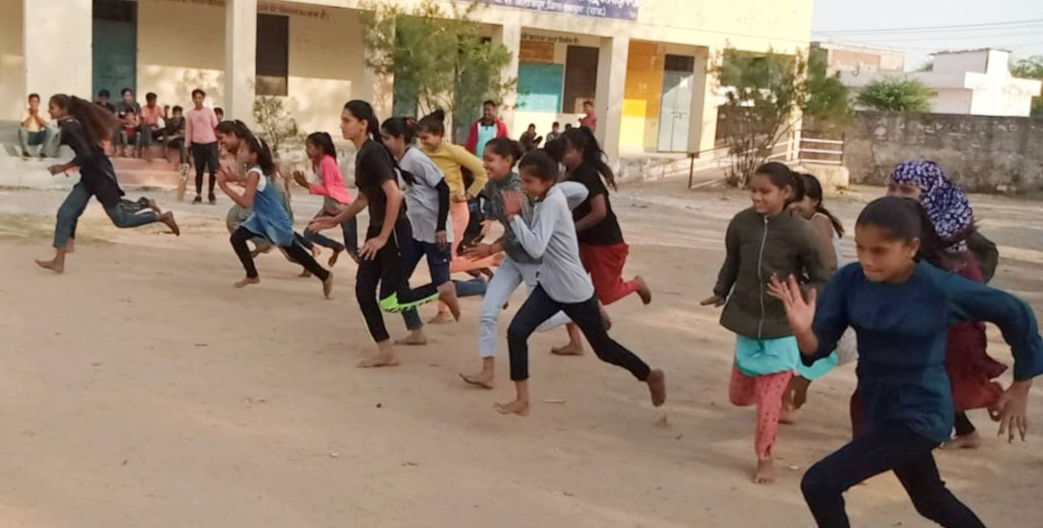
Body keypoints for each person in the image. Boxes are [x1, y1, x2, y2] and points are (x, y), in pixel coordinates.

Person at [769, 196, 1042, 528]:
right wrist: (802, 331)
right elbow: (817, 348)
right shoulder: (850, 281)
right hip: (878, 409)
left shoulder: (938, 288)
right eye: (860, 248)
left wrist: (1022, 384)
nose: (867, 260)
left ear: (911, 247)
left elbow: (1015, 312)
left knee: (820, 484)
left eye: (879, 251)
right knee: (930, 500)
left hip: (921, 414)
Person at [494, 149, 666, 416]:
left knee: (604, 349)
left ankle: (649, 375)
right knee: (517, 333)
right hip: (549, 287)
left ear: (547, 180)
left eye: (529, 181)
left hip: (575, 291)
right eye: (522, 180)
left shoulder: (551, 203)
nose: (524, 187)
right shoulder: (551, 194)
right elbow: (580, 191)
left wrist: (513, 217)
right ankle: (522, 399)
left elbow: (536, 248)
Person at [701, 162, 829, 484]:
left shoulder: (802, 232)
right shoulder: (741, 223)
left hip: (782, 327)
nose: (756, 197)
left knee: (767, 402)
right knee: (738, 396)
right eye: (753, 191)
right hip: (747, 321)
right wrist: (721, 291)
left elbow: (823, 277)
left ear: (785, 192)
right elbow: (732, 261)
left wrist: (796, 295)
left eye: (764, 192)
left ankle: (765, 456)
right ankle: (780, 393)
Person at [308, 100, 460, 368]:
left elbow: (395, 195)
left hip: (393, 231)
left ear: (363, 124)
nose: (342, 126)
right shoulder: (364, 153)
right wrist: (337, 219)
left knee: (391, 299)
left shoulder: (373, 152)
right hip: (379, 228)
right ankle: (386, 352)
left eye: (347, 120)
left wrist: (382, 238)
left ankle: (442, 289)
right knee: (364, 291)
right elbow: (363, 198)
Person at [886, 160, 1008, 450]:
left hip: (953, 306)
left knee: (946, 367)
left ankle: (986, 402)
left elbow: (984, 258)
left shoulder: (944, 226)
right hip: (921, 307)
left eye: (907, 190)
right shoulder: (900, 224)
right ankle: (963, 427)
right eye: (892, 187)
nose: (896, 195)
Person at [459, 138, 577, 389]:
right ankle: (487, 371)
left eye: (490, 159)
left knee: (542, 322)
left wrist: (491, 248)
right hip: (513, 259)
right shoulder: (492, 185)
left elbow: (525, 231)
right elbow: (502, 221)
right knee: (488, 311)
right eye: (484, 159)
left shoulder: (517, 188)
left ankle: (583, 308)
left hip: (533, 261)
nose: (485, 164)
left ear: (507, 161)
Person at [35, 95, 180, 274]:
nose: (49, 111)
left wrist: (63, 167)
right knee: (66, 212)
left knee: (120, 219)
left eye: (52, 108)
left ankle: (160, 217)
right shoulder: (72, 123)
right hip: (90, 177)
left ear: (64, 109)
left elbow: (86, 154)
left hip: (100, 177)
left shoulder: (71, 127)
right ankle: (60, 258)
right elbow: (89, 152)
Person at [552, 127, 651, 356]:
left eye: (567, 150)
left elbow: (599, 212)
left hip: (604, 243)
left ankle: (635, 284)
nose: (563, 155)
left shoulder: (588, 175)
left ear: (580, 150)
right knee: (567, 289)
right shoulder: (566, 173)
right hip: (580, 243)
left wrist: (572, 229)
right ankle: (575, 342)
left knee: (607, 294)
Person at [218, 131, 334, 296]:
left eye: (243, 150)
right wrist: (234, 178)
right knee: (237, 238)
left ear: (253, 155)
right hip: (262, 218)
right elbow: (252, 180)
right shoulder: (255, 170)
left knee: (294, 251)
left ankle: (324, 275)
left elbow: (245, 202)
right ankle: (252, 275)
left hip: (274, 220)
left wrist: (224, 187)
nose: (239, 153)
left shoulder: (254, 172)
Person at [780, 173, 853, 421]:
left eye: (800, 200)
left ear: (815, 201)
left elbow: (828, 263)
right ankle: (790, 397)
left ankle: (795, 391)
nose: (794, 205)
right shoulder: (800, 222)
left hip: (825, 294)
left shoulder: (818, 222)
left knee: (815, 345)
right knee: (800, 347)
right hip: (819, 292)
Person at [416, 109, 496, 323]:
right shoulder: (421, 154)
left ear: (439, 135)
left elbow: (482, 171)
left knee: (445, 262)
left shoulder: (453, 151)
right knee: (440, 261)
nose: (423, 142)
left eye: (426, 138)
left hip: (456, 212)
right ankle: (444, 311)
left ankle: (490, 262)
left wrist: (469, 195)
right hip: (435, 214)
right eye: (420, 138)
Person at [380, 116, 454, 346]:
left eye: (387, 138)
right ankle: (416, 331)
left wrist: (440, 227)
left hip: (435, 232)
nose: (384, 142)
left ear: (400, 138)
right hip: (416, 232)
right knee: (399, 280)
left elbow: (443, 188)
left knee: (442, 283)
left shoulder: (416, 158)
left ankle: (480, 286)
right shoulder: (396, 161)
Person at [291, 132, 359, 270]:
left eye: (309, 147)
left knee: (352, 250)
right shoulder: (316, 162)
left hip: (342, 207)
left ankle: (373, 273)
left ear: (320, 148)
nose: (306, 150)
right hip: (330, 206)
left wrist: (306, 185)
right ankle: (336, 247)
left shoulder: (327, 162)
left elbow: (330, 190)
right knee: (309, 233)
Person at [186, 89, 221, 204]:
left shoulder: (209, 112)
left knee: (212, 170)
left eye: (200, 97)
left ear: (203, 99)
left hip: (211, 143)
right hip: (197, 144)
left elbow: (216, 127)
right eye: (196, 98)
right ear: (193, 99)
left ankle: (211, 193)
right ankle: (198, 194)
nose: (198, 100)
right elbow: (189, 131)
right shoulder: (190, 114)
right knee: (199, 171)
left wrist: (220, 142)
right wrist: (187, 146)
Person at [19, 93, 57, 159]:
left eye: (35, 101)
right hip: (29, 135)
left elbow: (46, 125)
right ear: (29, 102)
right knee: (22, 129)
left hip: (39, 135)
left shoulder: (43, 112)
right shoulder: (24, 111)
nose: (34, 103)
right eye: (32, 101)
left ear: (38, 103)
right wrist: (32, 115)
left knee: (52, 130)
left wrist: (36, 115)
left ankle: (43, 152)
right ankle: (25, 152)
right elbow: (24, 125)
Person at [139, 92, 164, 160]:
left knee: (165, 130)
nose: (154, 103)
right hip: (147, 128)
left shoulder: (158, 108)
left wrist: (166, 111)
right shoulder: (144, 109)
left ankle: (166, 149)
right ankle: (149, 150)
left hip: (155, 129)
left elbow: (164, 117)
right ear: (148, 101)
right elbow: (144, 122)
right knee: (146, 129)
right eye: (153, 101)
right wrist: (152, 125)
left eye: (155, 101)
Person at [164, 105, 189, 172]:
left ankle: (183, 163)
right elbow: (167, 129)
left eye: (178, 114)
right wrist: (166, 112)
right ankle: (184, 161)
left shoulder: (182, 121)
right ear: (173, 114)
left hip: (178, 140)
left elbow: (183, 133)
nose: (176, 116)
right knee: (165, 132)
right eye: (175, 114)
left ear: (181, 114)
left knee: (181, 142)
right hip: (171, 142)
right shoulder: (170, 121)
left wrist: (173, 137)